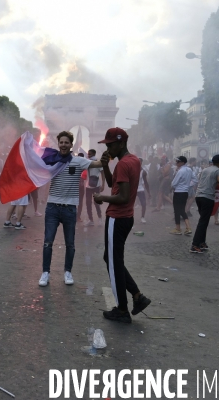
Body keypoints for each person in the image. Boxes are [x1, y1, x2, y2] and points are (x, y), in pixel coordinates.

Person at [92, 128, 151, 323]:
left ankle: (123, 309)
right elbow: (113, 183)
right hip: (126, 218)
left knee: (114, 263)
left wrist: (102, 198)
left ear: (121, 143)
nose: (107, 147)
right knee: (112, 259)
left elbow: (122, 197)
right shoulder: (131, 161)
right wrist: (105, 165)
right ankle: (137, 296)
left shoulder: (124, 164)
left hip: (117, 217)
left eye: (110, 144)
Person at [38, 131, 104, 287]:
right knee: (48, 242)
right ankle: (45, 273)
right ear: (58, 143)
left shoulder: (79, 161)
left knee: (70, 244)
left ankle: (68, 272)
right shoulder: (51, 160)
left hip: (69, 208)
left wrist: (112, 153)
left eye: (66, 142)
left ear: (71, 144)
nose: (63, 145)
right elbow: (35, 164)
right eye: (61, 142)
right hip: (52, 207)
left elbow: (97, 164)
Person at [170, 156, 193, 235]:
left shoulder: (180, 171)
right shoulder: (189, 170)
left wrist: (172, 187)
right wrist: (188, 185)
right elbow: (195, 179)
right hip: (185, 192)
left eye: (178, 162)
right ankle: (188, 227)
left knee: (177, 210)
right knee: (182, 209)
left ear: (182, 162)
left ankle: (178, 228)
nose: (176, 163)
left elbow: (174, 183)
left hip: (178, 192)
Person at [84, 149, 105, 226]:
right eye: (88, 154)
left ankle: (97, 219)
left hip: (94, 186)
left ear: (93, 154)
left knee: (94, 203)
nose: (88, 155)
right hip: (90, 185)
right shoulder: (88, 162)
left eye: (89, 154)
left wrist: (103, 184)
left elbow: (103, 173)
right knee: (90, 203)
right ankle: (93, 220)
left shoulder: (96, 163)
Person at [136, 158, 150, 224]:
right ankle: (129, 218)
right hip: (132, 189)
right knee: (130, 205)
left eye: (140, 162)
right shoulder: (131, 170)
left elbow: (146, 182)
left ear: (141, 163)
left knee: (143, 203)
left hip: (140, 189)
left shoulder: (143, 172)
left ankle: (142, 217)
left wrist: (149, 192)